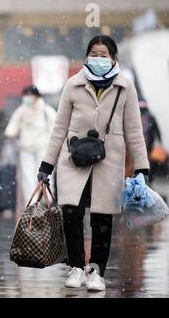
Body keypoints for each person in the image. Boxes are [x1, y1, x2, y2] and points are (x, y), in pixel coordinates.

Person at [37, 35, 149, 292]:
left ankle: (96, 271)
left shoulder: (125, 87)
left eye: (104, 55)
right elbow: (59, 128)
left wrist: (142, 168)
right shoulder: (73, 85)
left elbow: (134, 130)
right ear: (87, 56)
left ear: (114, 58)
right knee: (71, 213)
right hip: (73, 160)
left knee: (102, 218)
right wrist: (46, 165)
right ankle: (76, 267)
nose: (98, 59)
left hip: (108, 162)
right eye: (94, 54)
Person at [4, 85, 56, 204]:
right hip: (25, 148)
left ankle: (45, 199)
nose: (27, 98)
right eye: (25, 96)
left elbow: (54, 129)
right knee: (27, 176)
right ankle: (31, 201)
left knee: (45, 174)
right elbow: (13, 124)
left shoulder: (46, 110)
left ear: (36, 96)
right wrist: (10, 132)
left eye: (29, 95)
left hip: (43, 147)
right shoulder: (21, 110)